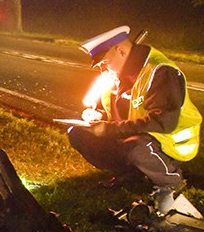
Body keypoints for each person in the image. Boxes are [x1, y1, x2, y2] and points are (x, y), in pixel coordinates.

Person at [68, 25, 202, 214]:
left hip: (169, 142)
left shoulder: (161, 72)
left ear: (121, 51)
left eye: (104, 63)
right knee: (78, 134)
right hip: (138, 134)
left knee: (136, 147)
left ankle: (170, 180)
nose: (102, 70)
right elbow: (119, 113)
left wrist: (108, 129)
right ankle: (130, 173)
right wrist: (98, 117)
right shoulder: (114, 77)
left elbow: (163, 122)